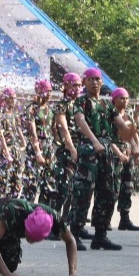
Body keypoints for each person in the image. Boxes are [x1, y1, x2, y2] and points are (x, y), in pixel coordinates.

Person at [0, 198, 89, 276]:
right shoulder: (13, 210)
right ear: (26, 225)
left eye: (34, 240)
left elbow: (71, 240)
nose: (29, 241)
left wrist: (73, 271)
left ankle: (0, 245)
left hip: (7, 229)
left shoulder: (53, 218)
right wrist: (6, 274)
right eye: (28, 236)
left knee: (11, 264)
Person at [68, 68, 122, 252]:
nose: (95, 83)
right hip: (89, 151)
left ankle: (100, 235)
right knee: (83, 192)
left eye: (97, 79)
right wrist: (94, 140)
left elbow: (121, 124)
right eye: (90, 79)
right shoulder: (81, 102)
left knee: (108, 193)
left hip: (106, 152)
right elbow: (81, 122)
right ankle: (74, 234)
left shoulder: (107, 105)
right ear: (84, 82)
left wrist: (134, 142)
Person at [47, 73, 80, 229]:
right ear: (65, 86)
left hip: (81, 150)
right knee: (63, 189)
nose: (77, 88)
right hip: (67, 151)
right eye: (74, 84)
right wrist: (72, 148)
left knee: (76, 190)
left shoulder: (80, 104)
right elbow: (63, 129)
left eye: (79, 85)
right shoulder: (62, 105)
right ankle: (53, 225)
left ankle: (69, 224)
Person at [110, 89, 139, 232]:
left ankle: (125, 218)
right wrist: (118, 153)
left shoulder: (130, 117)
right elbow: (108, 139)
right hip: (115, 156)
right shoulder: (110, 116)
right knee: (112, 188)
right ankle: (106, 219)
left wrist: (138, 153)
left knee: (127, 187)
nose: (125, 101)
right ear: (114, 99)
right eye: (121, 98)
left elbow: (135, 137)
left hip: (128, 156)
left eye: (127, 98)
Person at [24, 79, 54, 206]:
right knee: (31, 183)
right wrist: (37, 152)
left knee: (48, 184)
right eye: (46, 90)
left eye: (50, 91)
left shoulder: (50, 109)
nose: (49, 94)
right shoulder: (31, 108)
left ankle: (43, 214)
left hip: (49, 147)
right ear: (38, 91)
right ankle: (25, 214)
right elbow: (32, 133)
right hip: (37, 147)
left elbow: (53, 130)